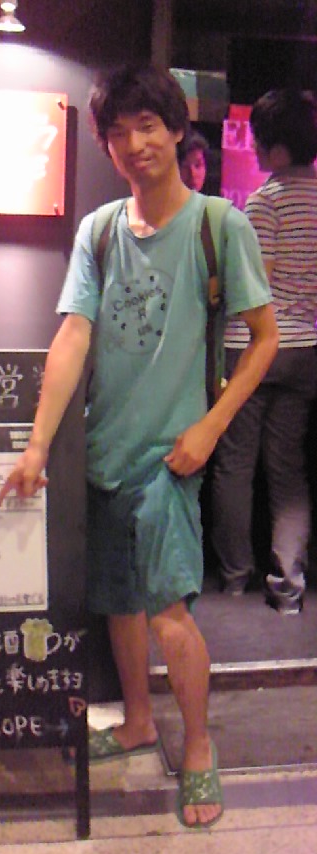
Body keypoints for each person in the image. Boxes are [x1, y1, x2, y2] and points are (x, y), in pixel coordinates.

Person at [0, 63, 278, 828]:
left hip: (169, 459)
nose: (134, 144)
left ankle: (199, 748)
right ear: (105, 145)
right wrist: (38, 445)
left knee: (168, 613)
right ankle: (139, 723)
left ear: (177, 128)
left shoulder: (219, 225)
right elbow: (73, 335)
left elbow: (264, 338)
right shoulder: (98, 231)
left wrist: (210, 425)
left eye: (147, 126)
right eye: (118, 133)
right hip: (104, 454)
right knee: (120, 604)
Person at [212, 88, 317, 613]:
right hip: (306, 350)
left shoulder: (265, 201)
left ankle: (235, 579)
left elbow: (257, 288)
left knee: (235, 464)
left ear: (277, 145)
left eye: (257, 139)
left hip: (255, 348)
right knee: (287, 469)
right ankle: (288, 585)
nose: (252, 148)